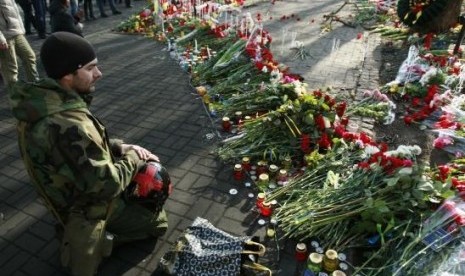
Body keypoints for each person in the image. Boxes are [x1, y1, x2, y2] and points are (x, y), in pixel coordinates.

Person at [8, 32, 168, 275]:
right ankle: (98, 239)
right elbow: (108, 185)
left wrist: (119, 147)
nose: (99, 73)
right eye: (91, 67)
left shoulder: (43, 102)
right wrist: (134, 158)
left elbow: (73, 150)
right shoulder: (69, 124)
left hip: (66, 191)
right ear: (68, 75)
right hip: (83, 205)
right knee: (158, 222)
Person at [0, 0, 39, 88]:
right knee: (11, 70)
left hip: (17, 32)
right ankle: (15, 98)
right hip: (5, 37)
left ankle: (35, 87)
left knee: (30, 57)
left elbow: (15, 11)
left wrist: (21, 29)